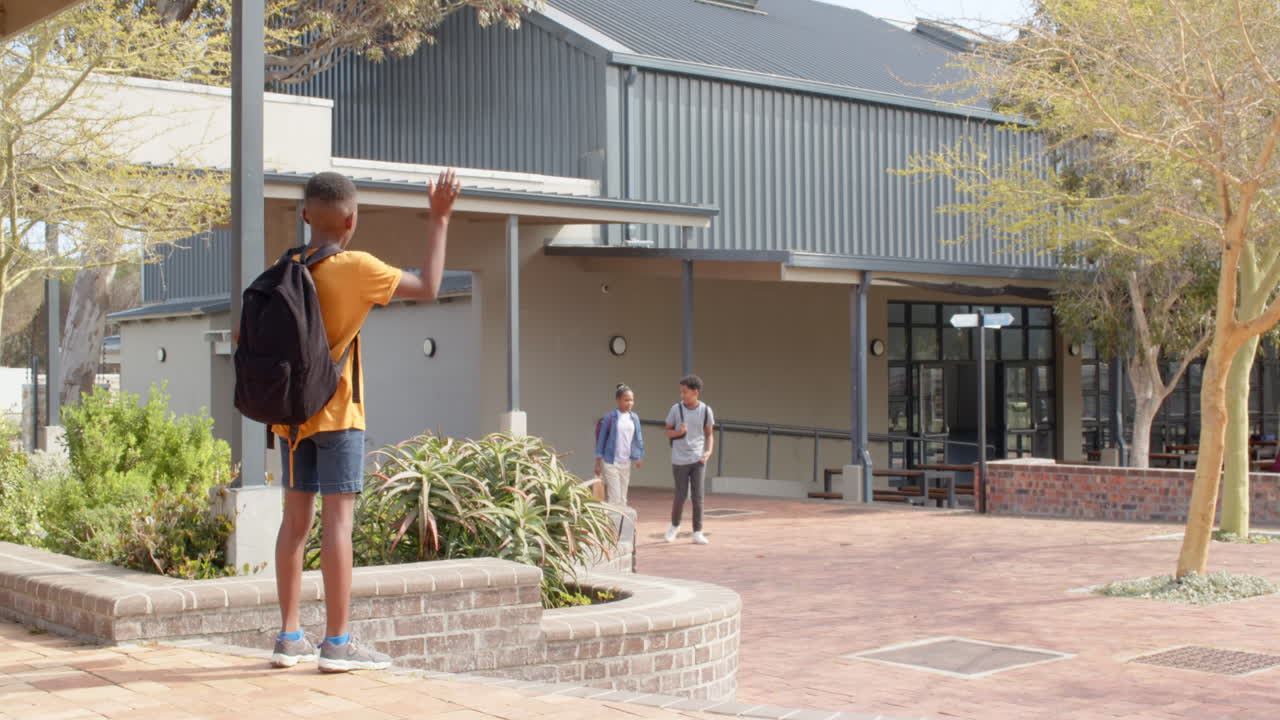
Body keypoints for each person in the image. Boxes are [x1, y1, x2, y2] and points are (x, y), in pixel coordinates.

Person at [269, 169, 461, 672]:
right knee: (338, 525)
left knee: (294, 524)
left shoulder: (284, 268)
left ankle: (289, 637)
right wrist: (438, 218)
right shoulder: (357, 267)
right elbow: (429, 285)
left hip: (291, 420)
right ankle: (336, 642)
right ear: (351, 219)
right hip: (338, 413)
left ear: (306, 215)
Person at [664, 374, 715, 545]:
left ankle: (697, 532)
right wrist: (678, 432)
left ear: (695, 392)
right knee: (680, 495)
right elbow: (667, 432)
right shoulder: (675, 410)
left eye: (685, 392)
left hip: (698, 459)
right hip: (679, 459)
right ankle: (674, 526)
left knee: (698, 496)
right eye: (681, 392)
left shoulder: (706, 410)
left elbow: (709, 434)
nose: (682, 395)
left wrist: (708, 452)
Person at [594, 384, 645, 505]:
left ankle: (620, 524)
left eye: (632, 400)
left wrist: (639, 456)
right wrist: (597, 463)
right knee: (615, 497)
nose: (630, 403)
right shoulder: (610, 418)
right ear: (618, 400)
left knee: (623, 499)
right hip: (611, 462)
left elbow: (638, 438)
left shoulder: (634, 418)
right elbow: (601, 441)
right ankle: (612, 524)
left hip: (626, 462)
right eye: (626, 400)